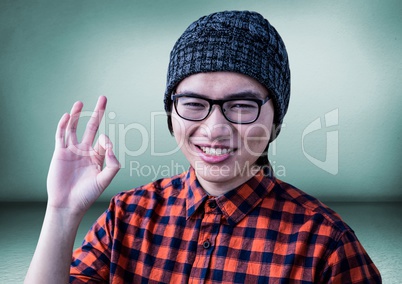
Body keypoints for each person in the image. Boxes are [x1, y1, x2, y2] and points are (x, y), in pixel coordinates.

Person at [25, 10, 381, 283]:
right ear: (171, 113)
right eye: (194, 104)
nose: (215, 129)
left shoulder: (326, 244)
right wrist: (61, 211)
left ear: (275, 119)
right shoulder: (127, 217)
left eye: (241, 106)